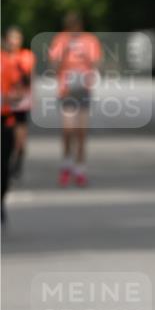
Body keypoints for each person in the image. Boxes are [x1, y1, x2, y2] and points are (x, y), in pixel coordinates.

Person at [48, 12, 102, 187]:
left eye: (76, 26)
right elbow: (53, 65)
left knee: (81, 132)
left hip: (83, 89)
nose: (74, 30)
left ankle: (80, 169)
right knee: (67, 130)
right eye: (70, 27)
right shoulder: (60, 40)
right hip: (66, 89)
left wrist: (84, 54)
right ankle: (66, 164)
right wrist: (66, 50)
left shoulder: (89, 40)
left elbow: (97, 63)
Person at [3, 27, 35, 180]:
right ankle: (7, 161)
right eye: (11, 38)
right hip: (5, 102)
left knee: (20, 136)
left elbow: (28, 79)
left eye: (16, 38)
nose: (13, 41)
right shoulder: (2, 57)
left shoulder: (26, 56)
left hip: (21, 100)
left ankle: (18, 160)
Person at [1, 45, 20, 223]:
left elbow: (19, 91)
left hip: (4, 121)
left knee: (4, 166)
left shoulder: (7, 62)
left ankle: (1, 201)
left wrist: (7, 98)